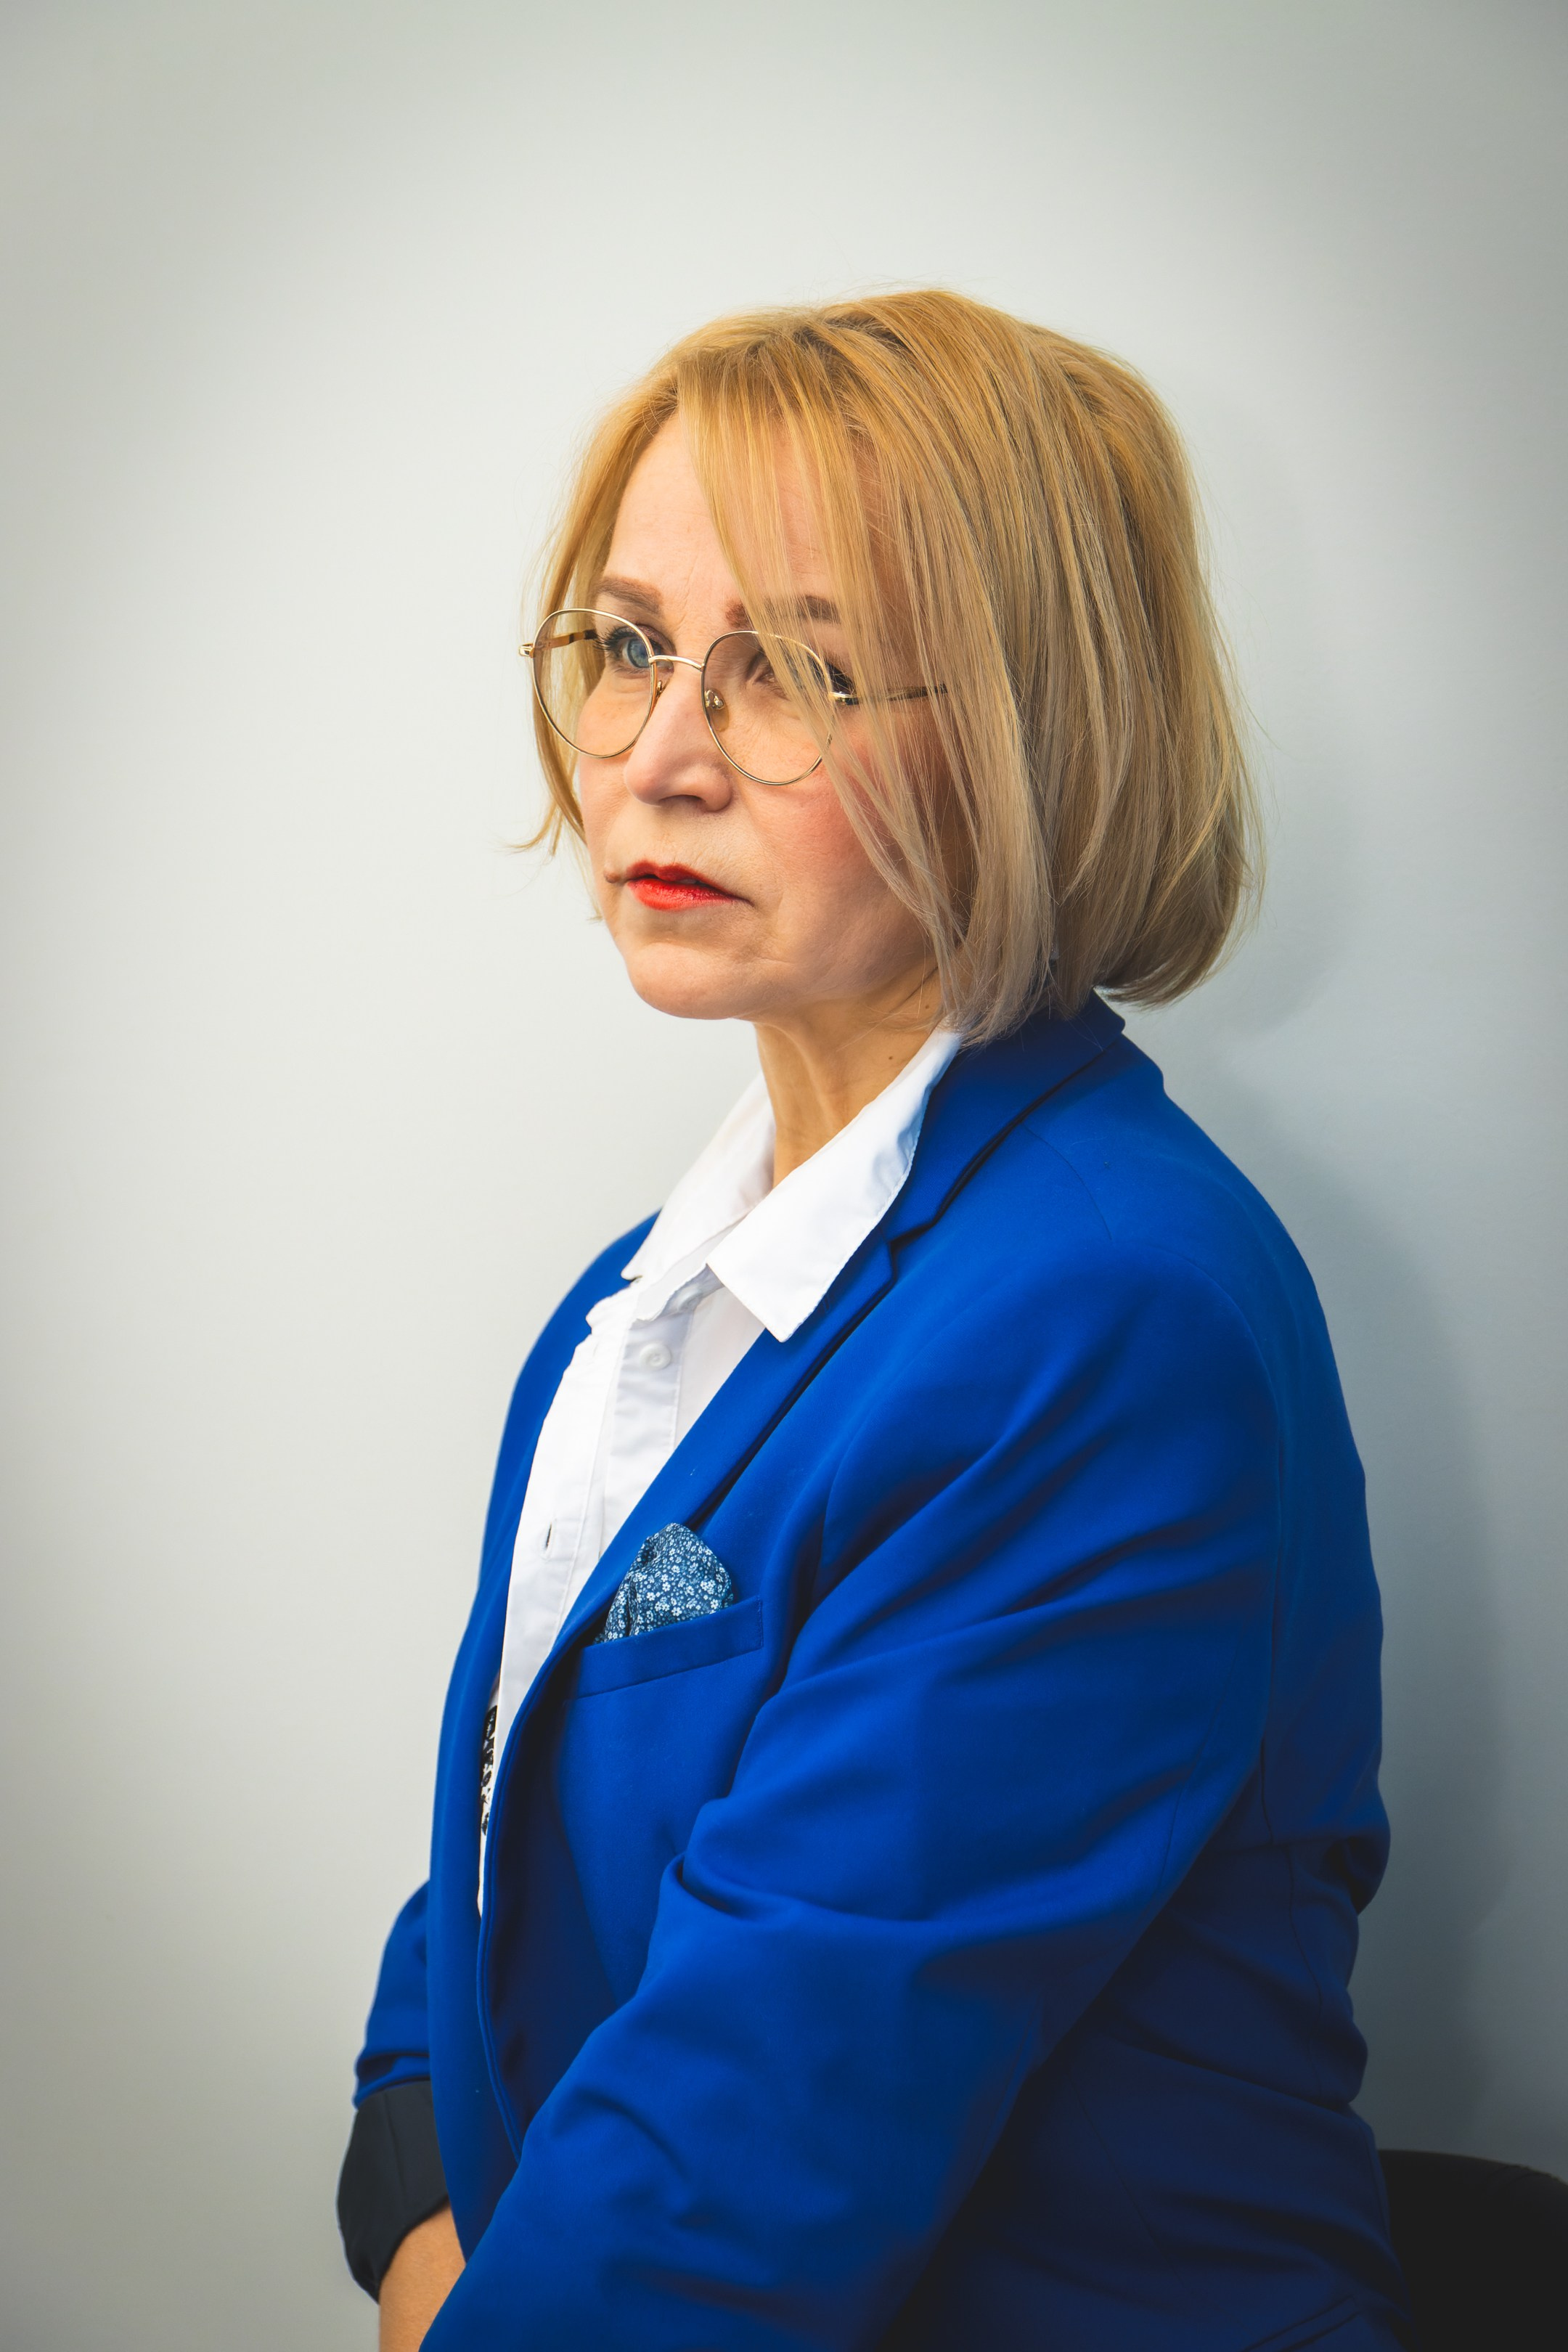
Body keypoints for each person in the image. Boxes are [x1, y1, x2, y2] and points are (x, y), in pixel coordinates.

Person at [336, 290, 1411, 2351]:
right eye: (633, 645)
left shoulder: (1102, 1318)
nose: (661, 753)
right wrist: (417, 2215)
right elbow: (492, 1864)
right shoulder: (644, 1307)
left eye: (798, 673)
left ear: (1040, 733)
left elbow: (761, 2155)